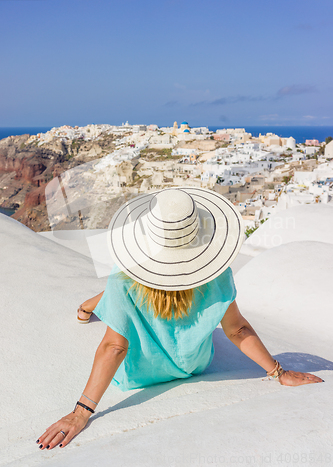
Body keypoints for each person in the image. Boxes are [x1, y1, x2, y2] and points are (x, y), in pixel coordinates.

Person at [36, 187, 323, 451]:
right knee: (120, 286)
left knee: (121, 284)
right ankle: (94, 303)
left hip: (137, 377)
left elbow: (114, 347)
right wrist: (279, 373)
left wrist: (80, 413)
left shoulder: (124, 279)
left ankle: (89, 306)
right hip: (194, 367)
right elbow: (237, 329)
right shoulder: (216, 275)